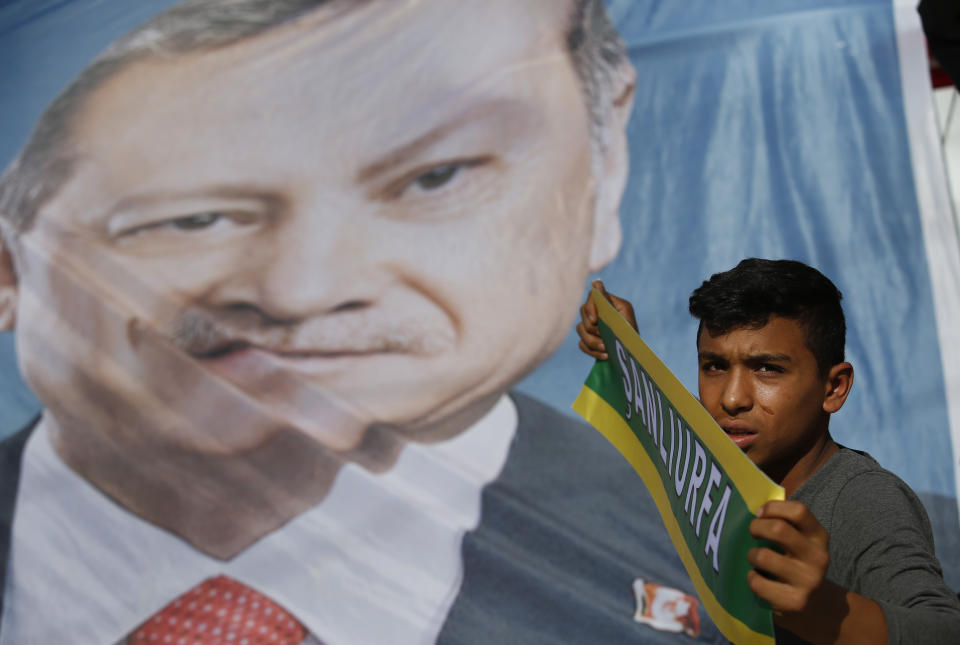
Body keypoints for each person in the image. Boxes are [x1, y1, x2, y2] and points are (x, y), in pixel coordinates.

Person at [0, 0, 731, 642]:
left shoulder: (745, 586)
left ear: (604, 168)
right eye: (190, 216)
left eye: (435, 177)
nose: (302, 290)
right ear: (9, 263)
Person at [577, 258, 960, 644]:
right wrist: (627, 353)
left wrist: (821, 610)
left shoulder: (862, 499)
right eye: (714, 366)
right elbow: (672, 427)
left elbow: (944, 630)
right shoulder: (720, 467)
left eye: (767, 369)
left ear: (834, 388)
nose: (731, 398)